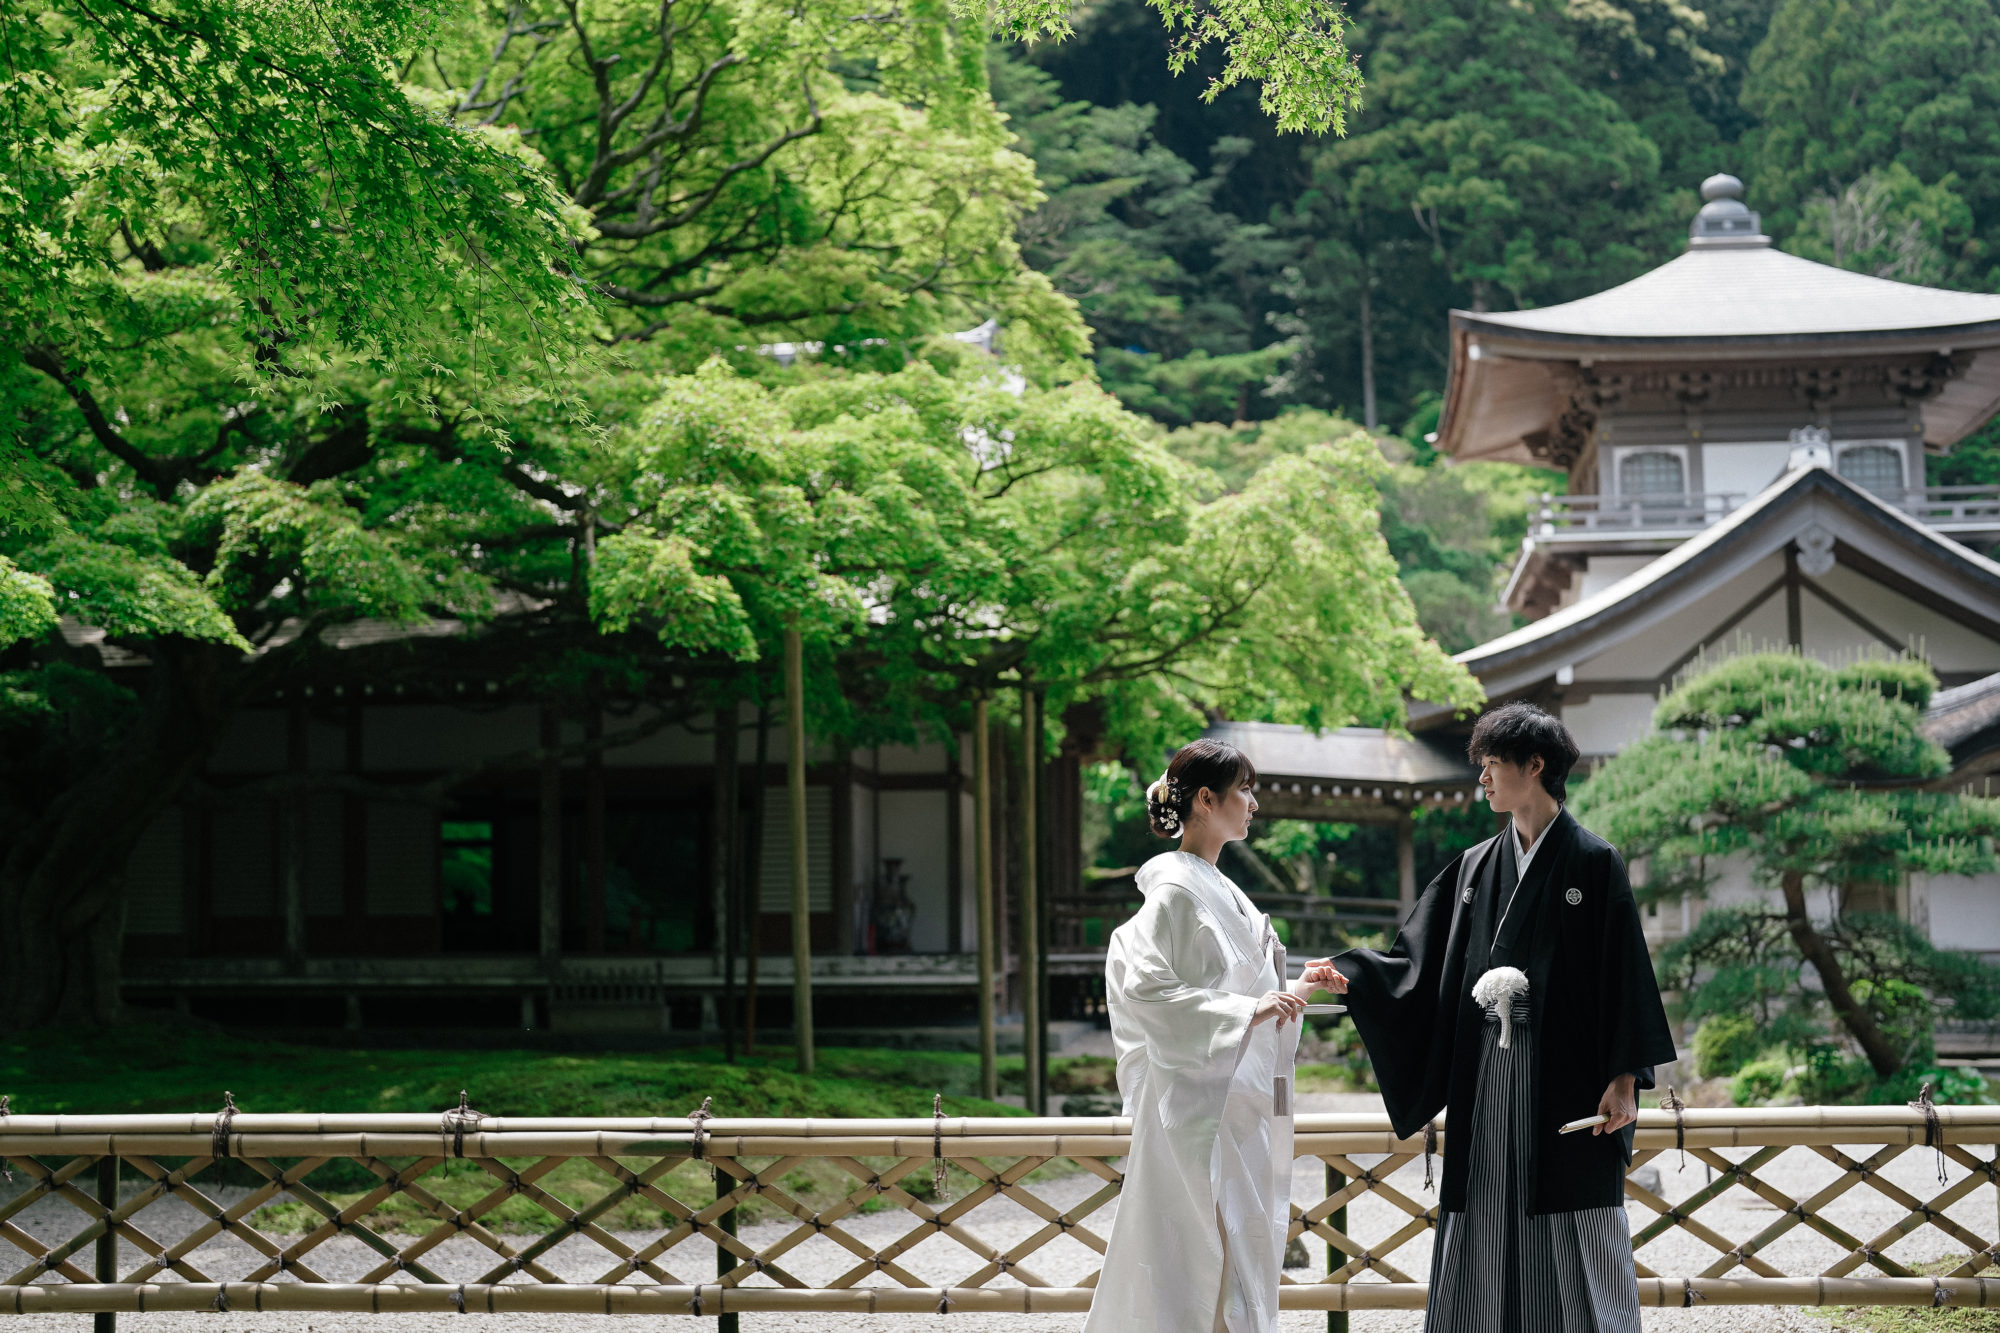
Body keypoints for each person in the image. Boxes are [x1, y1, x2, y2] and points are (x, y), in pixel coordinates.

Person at [1305, 702, 1677, 1333]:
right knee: (1486, 1198)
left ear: (1535, 767)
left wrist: (1623, 1079)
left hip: (1568, 1075)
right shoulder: (1476, 865)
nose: (1481, 777)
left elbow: (1624, 975)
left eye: (1492, 764)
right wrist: (1359, 977)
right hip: (1486, 1077)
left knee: (1573, 1206)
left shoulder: (1592, 860)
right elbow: (1422, 962)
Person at [1085, 739, 1334, 1333]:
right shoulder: (1175, 888)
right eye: (1243, 790)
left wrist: (1296, 986)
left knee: (1235, 1254)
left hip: (1233, 1101)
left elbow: (1243, 989)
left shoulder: (1217, 886)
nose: (1252, 803)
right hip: (1199, 1108)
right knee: (1204, 1257)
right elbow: (1147, 989)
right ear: (1205, 799)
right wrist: (1247, 1010)